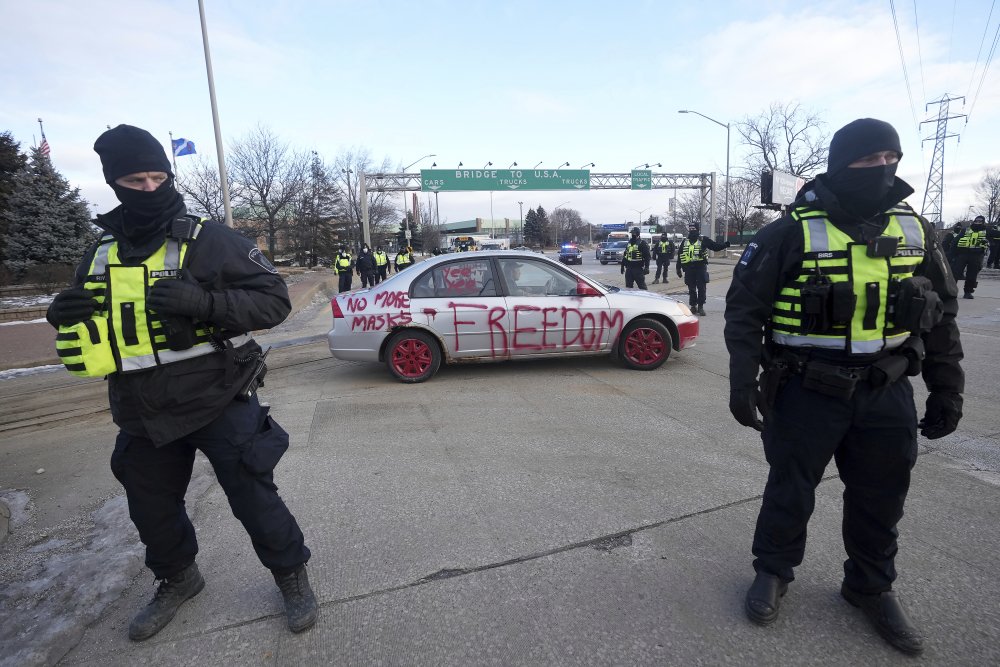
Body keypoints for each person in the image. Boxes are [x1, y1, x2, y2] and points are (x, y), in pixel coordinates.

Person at [45, 125, 317, 641]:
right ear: (113, 182)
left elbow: (275, 301)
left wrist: (207, 303)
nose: (148, 188)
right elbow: (97, 319)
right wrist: (61, 313)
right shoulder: (99, 250)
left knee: (254, 498)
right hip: (140, 406)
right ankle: (178, 578)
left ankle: (291, 575)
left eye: (157, 176)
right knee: (151, 508)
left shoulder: (209, 238)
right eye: (134, 179)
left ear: (169, 175)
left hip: (218, 394)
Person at [724, 118, 964, 656]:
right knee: (790, 489)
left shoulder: (916, 229)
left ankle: (870, 587)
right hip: (806, 390)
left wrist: (948, 388)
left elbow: (942, 317)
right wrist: (743, 380)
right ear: (840, 164)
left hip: (887, 388)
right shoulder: (789, 230)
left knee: (882, 497)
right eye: (868, 159)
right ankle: (774, 571)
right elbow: (744, 310)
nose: (882, 169)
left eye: (890, 158)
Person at [676, 223, 729, 315]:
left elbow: (714, 247)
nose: (692, 230)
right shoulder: (685, 241)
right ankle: (693, 306)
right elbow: (680, 255)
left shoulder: (703, 239)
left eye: (694, 228)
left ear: (697, 229)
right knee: (691, 288)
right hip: (688, 268)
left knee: (701, 288)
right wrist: (678, 269)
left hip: (700, 267)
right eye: (690, 228)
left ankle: (700, 306)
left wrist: (725, 245)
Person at [953, 215, 989, 298]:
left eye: (980, 221)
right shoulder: (966, 230)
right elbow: (956, 241)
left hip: (977, 255)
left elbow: (991, 241)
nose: (978, 223)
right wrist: (952, 254)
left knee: (972, 275)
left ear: (983, 222)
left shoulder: (987, 231)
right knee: (956, 272)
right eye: (976, 221)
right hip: (963, 253)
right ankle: (951, 290)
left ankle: (968, 292)